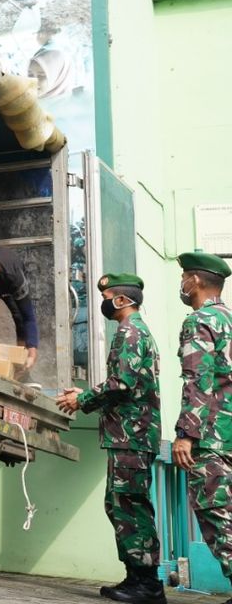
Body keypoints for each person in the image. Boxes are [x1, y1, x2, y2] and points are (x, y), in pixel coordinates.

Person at [56, 273, 164, 604]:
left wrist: (83, 399)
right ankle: (137, 578)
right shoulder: (135, 332)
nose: (102, 302)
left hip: (131, 436)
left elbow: (121, 384)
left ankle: (146, 583)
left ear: (120, 300)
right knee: (122, 504)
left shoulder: (130, 332)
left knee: (129, 506)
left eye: (106, 295)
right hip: (130, 435)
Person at [171, 250, 232, 599]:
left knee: (219, 520)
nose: (182, 283)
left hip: (211, 439)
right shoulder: (230, 319)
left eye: (184, 277)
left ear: (195, 280)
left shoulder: (200, 321)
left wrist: (186, 435)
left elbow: (198, 380)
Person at [0, 243, 39, 376]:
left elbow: (28, 317)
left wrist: (32, 349)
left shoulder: (13, 277)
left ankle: (20, 366)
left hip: (3, 284)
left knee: (18, 316)